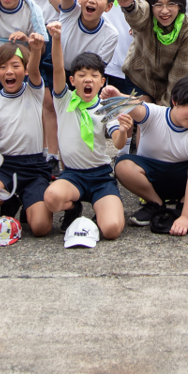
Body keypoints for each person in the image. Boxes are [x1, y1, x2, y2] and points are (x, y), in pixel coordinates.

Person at [111, 75, 188, 236]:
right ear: (175, 101)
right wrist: (118, 96)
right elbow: (136, 108)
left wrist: (186, 217)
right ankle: (155, 204)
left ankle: (185, 205)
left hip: (184, 179)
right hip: (151, 177)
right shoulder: (155, 113)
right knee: (123, 165)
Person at [42, 43, 127, 241]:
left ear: (102, 81)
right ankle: (73, 208)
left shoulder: (107, 106)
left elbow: (118, 143)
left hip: (101, 176)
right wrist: (56, 38)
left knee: (112, 230)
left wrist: (124, 130)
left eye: (94, 75)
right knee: (51, 198)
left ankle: (101, 208)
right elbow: (57, 68)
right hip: (72, 175)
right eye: (81, 75)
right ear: (72, 80)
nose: (88, 79)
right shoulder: (64, 100)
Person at [0, 35, 59, 237]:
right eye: (3, 67)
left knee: (41, 228)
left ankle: (27, 202)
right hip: (6, 165)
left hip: (34, 166)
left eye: (15, 66)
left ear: (24, 70)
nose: (9, 71)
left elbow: (34, 69)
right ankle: (11, 199)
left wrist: (35, 49)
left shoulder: (34, 91)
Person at [116, 0, 188, 102]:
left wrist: (167, 106)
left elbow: (181, 71)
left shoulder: (187, 29)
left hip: (166, 84)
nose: (164, 11)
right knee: (142, 110)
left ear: (180, 5)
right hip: (139, 77)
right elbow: (137, 15)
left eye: (171, 4)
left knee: (165, 111)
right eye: (158, 5)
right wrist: (129, 6)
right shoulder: (146, 15)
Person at [54, 0, 121, 77]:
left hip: (86, 76)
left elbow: (95, 70)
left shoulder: (111, 34)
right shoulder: (71, 12)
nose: (92, 0)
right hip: (56, 69)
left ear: (109, 6)